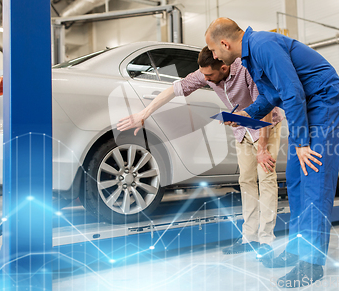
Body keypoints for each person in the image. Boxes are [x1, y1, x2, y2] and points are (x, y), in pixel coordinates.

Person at [205, 18, 339, 288]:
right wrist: (247, 114)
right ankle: (297, 249)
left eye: (213, 50)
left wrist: (303, 143)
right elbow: (271, 97)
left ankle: (312, 263)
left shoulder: (262, 44)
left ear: (224, 43)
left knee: (313, 178)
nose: (214, 56)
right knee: (295, 179)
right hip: (308, 105)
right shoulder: (250, 57)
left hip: (325, 101)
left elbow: (292, 92)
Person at [117, 46, 283, 259]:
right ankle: (249, 238)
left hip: (267, 125)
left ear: (224, 68)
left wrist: (262, 150)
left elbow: (266, 108)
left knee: (265, 178)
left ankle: (266, 239)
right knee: (246, 180)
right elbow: (175, 89)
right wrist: (144, 114)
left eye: (209, 75)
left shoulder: (246, 70)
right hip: (242, 127)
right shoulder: (207, 74)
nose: (205, 79)